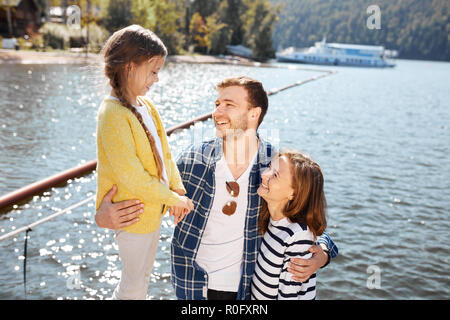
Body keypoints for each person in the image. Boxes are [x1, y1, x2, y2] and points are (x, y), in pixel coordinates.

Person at [95, 76, 338, 300]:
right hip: (192, 285)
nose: (217, 112)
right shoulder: (191, 161)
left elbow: (309, 220)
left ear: (254, 114)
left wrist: (324, 253)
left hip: (249, 288)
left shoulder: (275, 168)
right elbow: (147, 196)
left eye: (229, 105)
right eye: (217, 103)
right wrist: (103, 217)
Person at [95, 24, 193, 300]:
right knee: (133, 286)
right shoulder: (112, 114)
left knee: (142, 280)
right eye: (153, 72)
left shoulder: (147, 106)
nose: (156, 79)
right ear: (129, 67)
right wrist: (172, 199)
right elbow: (133, 177)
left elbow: (166, 153)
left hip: (151, 213)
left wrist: (178, 190)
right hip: (132, 215)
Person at [251, 150, 327, 300]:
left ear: (294, 193)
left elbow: (289, 295)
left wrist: (324, 254)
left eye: (275, 175)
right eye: (269, 168)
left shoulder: (298, 236)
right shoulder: (273, 222)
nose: (264, 174)